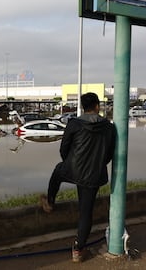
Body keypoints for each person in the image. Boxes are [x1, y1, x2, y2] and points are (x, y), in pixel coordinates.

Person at [40, 92, 116, 262]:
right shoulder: (109, 127)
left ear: (83, 107)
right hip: (94, 174)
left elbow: (64, 148)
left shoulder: (74, 124)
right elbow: (110, 154)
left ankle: (50, 202)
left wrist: (70, 163)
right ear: (97, 106)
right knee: (85, 212)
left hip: (73, 169)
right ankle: (78, 249)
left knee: (57, 171)